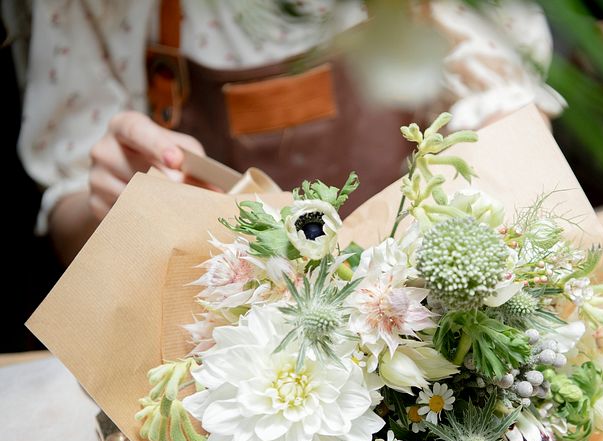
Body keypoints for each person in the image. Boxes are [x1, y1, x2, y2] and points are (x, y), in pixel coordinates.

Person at [9, 1, 564, 265]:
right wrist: (115, 203)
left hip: (415, 289)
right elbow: (72, 232)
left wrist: (499, 160)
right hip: (221, 342)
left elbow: (504, 104)